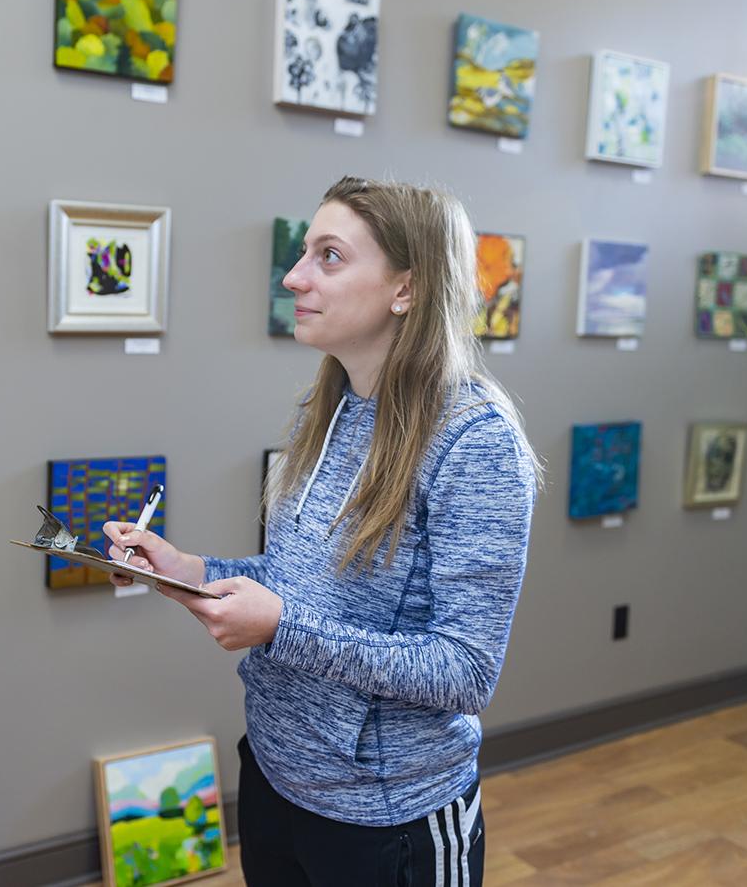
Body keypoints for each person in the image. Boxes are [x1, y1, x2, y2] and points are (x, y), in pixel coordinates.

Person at [104, 176, 539, 887]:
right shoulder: (334, 403)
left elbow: (465, 670)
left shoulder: (476, 442)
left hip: (387, 818)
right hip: (278, 779)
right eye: (305, 252)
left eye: (329, 256)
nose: (294, 275)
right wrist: (189, 570)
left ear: (406, 287)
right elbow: (305, 585)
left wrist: (280, 629)